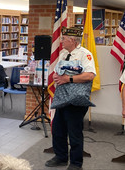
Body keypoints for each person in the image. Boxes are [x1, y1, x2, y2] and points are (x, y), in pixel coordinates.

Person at [45, 27, 96, 170]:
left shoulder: (85, 54)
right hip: (62, 97)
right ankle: (60, 157)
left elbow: (90, 75)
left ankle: (76, 163)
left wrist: (68, 78)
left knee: (74, 132)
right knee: (58, 129)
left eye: (63, 39)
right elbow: (57, 72)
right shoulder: (62, 54)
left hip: (76, 99)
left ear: (72, 40)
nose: (61, 41)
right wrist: (56, 76)